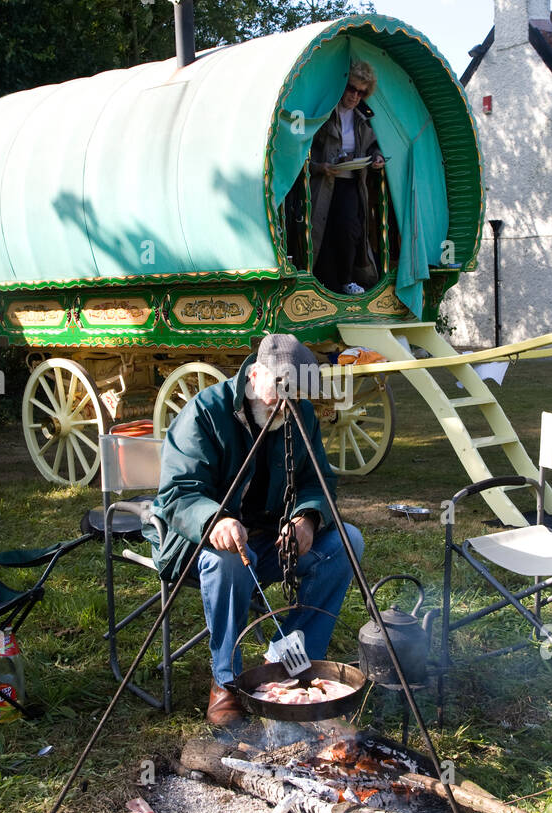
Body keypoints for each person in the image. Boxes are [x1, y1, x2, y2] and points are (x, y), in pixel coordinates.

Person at [149, 334, 364, 726]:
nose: (285, 405)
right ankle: (226, 682)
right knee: (228, 556)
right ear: (254, 374)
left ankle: (288, 663)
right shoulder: (205, 412)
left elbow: (319, 483)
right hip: (201, 543)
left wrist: (307, 518)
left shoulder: (299, 415)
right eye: (278, 391)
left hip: (270, 540)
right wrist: (216, 520)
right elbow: (179, 493)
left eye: (295, 395)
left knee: (348, 542)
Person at [309, 60, 387, 296]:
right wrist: (320, 167)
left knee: (350, 230)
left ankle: (346, 280)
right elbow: (304, 151)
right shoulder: (324, 113)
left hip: (351, 181)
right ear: (342, 86)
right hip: (325, 182)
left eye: (361, 92)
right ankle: (326, 283)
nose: (355, 96)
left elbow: (373, 146)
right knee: (325, 231)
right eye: (351, 89)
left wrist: (377, 158)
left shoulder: (363, 118)